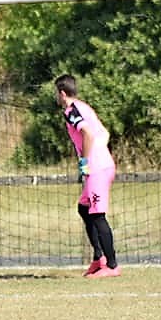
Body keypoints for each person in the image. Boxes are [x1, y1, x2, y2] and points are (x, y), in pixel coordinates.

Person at [54, 74, 120, 278]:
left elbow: (88, 134)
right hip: (105, 164)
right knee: (84, 208)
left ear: (62, 93)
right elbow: (105, 133)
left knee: (98, 215)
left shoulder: (71, 111)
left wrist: (85, 160)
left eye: (57, 93)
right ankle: (98, 258)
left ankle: (111, 265)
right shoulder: (86, 107)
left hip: (97, 168)